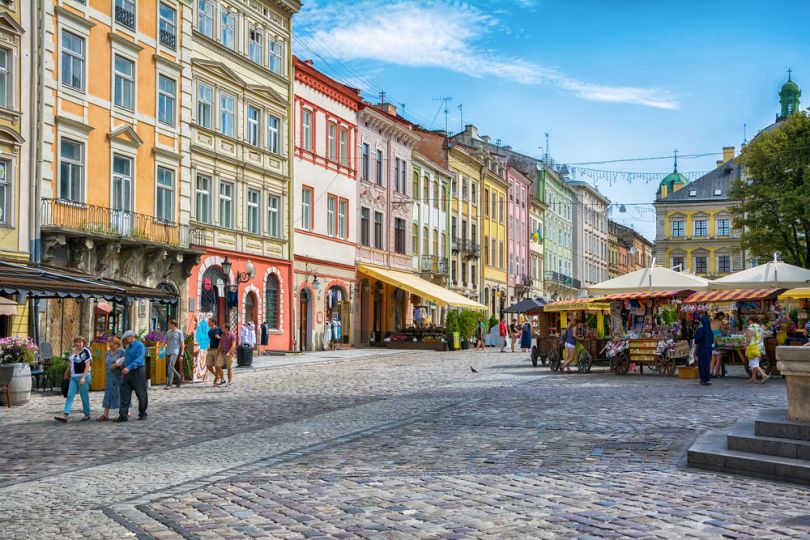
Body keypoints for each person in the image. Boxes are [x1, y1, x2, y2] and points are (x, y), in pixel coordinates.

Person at [55, 336, 92, 423]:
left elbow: (87, 366)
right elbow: (70, 363)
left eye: (80, 342)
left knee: (84, 396)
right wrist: (66, 372)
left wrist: (83, 377)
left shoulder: (86, 352)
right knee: (70, 395)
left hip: (83, 376)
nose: (78, 344)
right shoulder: (73, 350)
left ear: (83, 343)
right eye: (77, 342)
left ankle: (87, 414)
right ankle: (65, 415)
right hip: (73, 377)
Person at [114, 330, 148, 421]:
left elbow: (139, 359)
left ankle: (142, 413)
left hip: (138, 371)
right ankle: (123, 415)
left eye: (127, 338)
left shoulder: (139, 346)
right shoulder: (128, 347)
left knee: (141, 394)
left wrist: (129, 367)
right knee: (124, 393)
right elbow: (127, 358)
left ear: (132, 337)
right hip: (127, 372)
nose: (126, 340)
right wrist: (123, 365)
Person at [97, 336, 125, 421]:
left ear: (117, 344)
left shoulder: (122, 352)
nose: (109, 344)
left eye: (111, 343)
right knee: (108, 394)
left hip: (118, 376)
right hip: (109, 376)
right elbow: (106, 363)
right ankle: (106, 414)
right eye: (108, 342)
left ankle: (126, 412)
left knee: (119, 393)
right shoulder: (108, 352)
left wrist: (117, 365)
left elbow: (126, 361)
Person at [746, 315, 769, 384]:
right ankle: (753, 378)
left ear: (750, 320)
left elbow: (749, 336)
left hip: (753, 346)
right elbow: (765, 335)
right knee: (756, 362)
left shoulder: (751, 327)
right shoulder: (760, 327)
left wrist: (747, 344)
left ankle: (764, 375)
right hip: (760, 347)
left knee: (754, 363)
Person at [694, 314, 714, 386]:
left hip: (702, 348)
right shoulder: (710, 331)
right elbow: (712, 341)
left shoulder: (700, 330)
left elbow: (697, 340)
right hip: (708, 349)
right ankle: (707, 379)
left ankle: (703, 379)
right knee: (707, 364)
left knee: (702, 364)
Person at [164, 319, 184, 389]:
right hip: (168, 351)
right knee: (170, 367)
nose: (168, 325)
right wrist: (161, 348)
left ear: (173, 325)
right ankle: (176, 380)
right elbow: (165, 341)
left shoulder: (179, 332)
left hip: (175, 351)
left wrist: (181, 354)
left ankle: (171, 383)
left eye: (169, 324)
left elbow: (182, 344)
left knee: (170, 366)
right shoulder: (168, 332)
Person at [217, 323, 236, 387]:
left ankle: (229, 382)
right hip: (222, 353)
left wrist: (229, 352)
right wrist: (218, 352)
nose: (221, 328)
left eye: (223, 328)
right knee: (218, 365)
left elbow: (233, 345)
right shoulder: (222, 335)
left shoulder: (232, 335)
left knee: (229, 368)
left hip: (230, 354)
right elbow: (220, 344)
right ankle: (222, 379)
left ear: (226, 328)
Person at [206, 318, 222, 385]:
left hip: (217, 349)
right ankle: (216, 375)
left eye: (209, 322)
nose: (208, 323)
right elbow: (211, 340)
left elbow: (224, 339)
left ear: (213, 322)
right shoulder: (209, 332)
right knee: (208, 365)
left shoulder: (219, 330)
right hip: (211, 349)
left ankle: (216, 381)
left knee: (216, 365)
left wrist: (219, 338)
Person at [710, 312, 725, 378]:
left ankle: (710, 372)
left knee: (713, 358)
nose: (723, 318)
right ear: (720, 316)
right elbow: (724, 332)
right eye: (722, 317)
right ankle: (717, 373)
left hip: (712, 340)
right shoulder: (720, 322)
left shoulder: (711, 322)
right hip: (719, 340)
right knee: (718, 358)